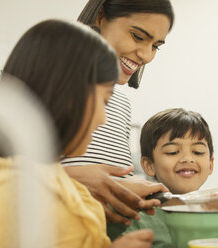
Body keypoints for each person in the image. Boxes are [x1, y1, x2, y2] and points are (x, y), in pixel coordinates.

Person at [0, 19, 157, 248]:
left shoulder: (69, 190)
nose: (103, 119)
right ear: (64, 96)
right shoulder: (6, 190)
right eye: (102, 101)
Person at [62, 0, 175, 225]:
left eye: (155, 46)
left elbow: (110, 196)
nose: (146, 55)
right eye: (138, 36)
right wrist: (73, 179)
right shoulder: (29, 81)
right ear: (100, 17)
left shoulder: (121, 105)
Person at [108, 108, 215, 248]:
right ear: (149, 165)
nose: (188, 159)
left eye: (197, 152)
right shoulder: (133, 217)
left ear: (210, 164)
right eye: (172, 152)